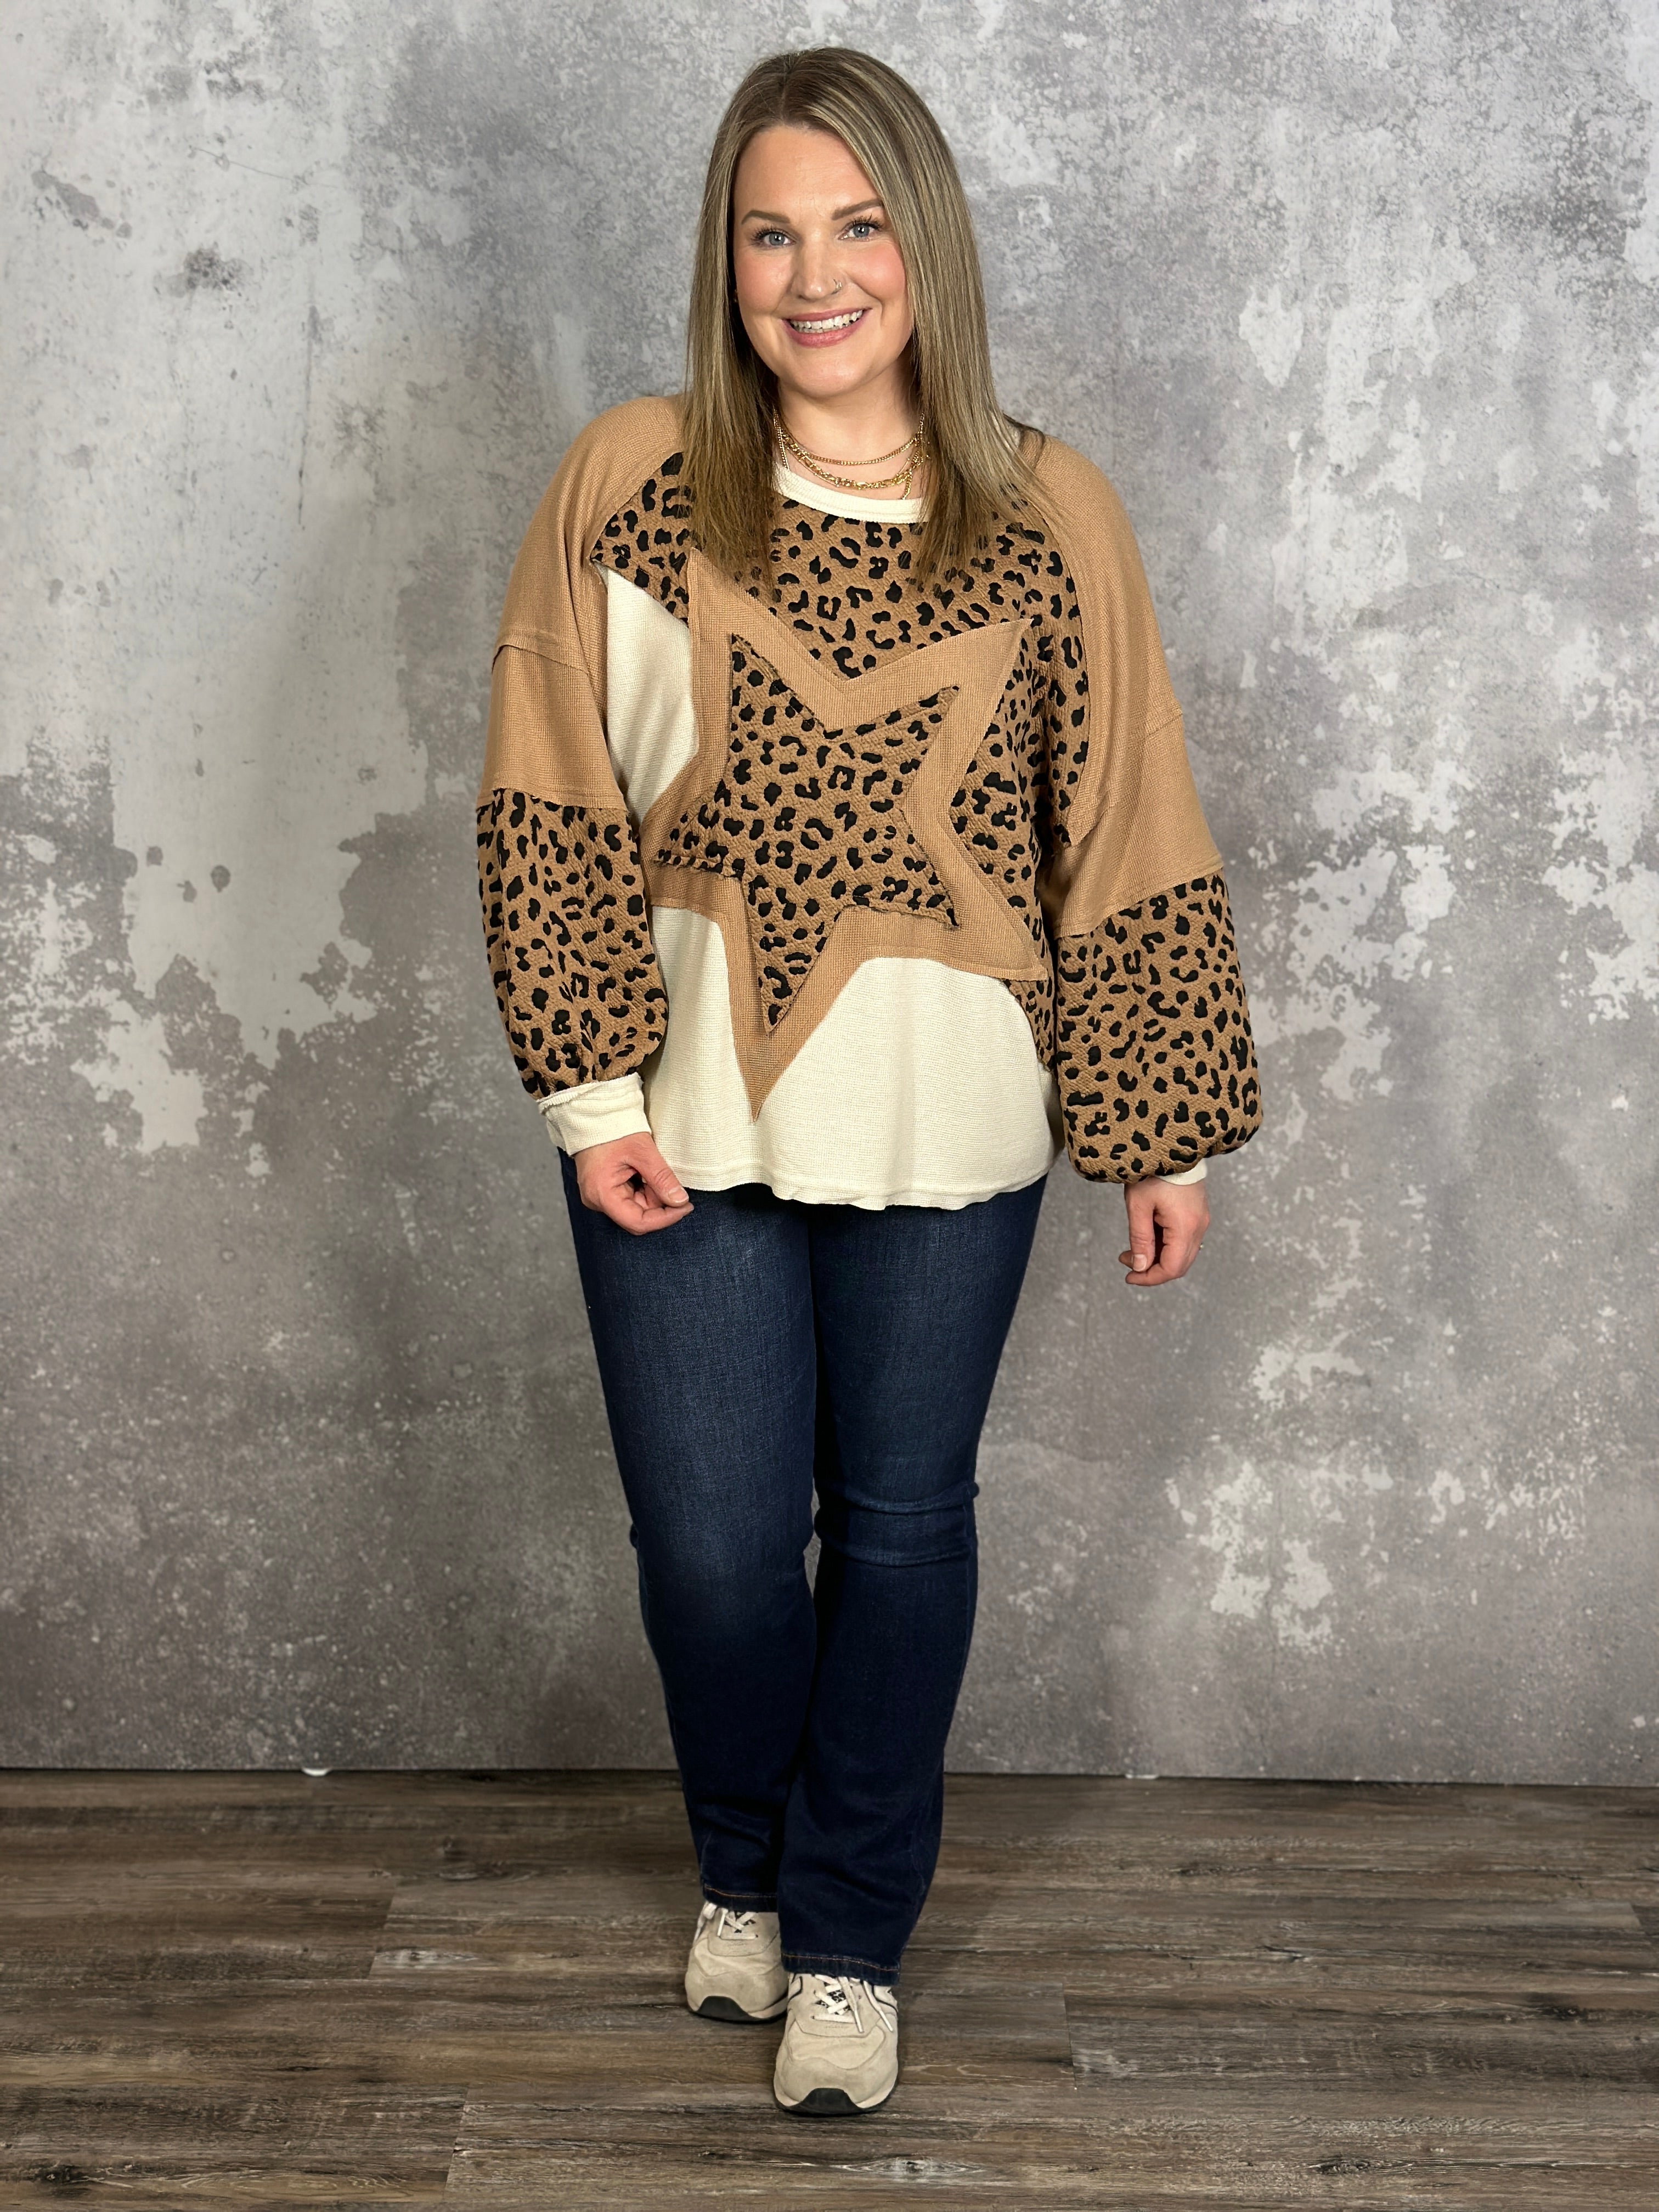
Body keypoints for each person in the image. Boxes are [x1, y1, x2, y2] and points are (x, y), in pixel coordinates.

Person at [477, 46, 1260, 2117]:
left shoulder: (1048, 509)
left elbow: (1125, 814)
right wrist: (592, 1093)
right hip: (682, 1122)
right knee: (714, 1551)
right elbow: (550, 790)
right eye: (770, 231)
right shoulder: (632, 476)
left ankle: (844, 1937)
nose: (815, 275)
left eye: (858, 224)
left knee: (902, 1531)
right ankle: (741, 1865)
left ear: (928, 246)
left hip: (956, 1125)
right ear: (723, 259)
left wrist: (1157, 1126)